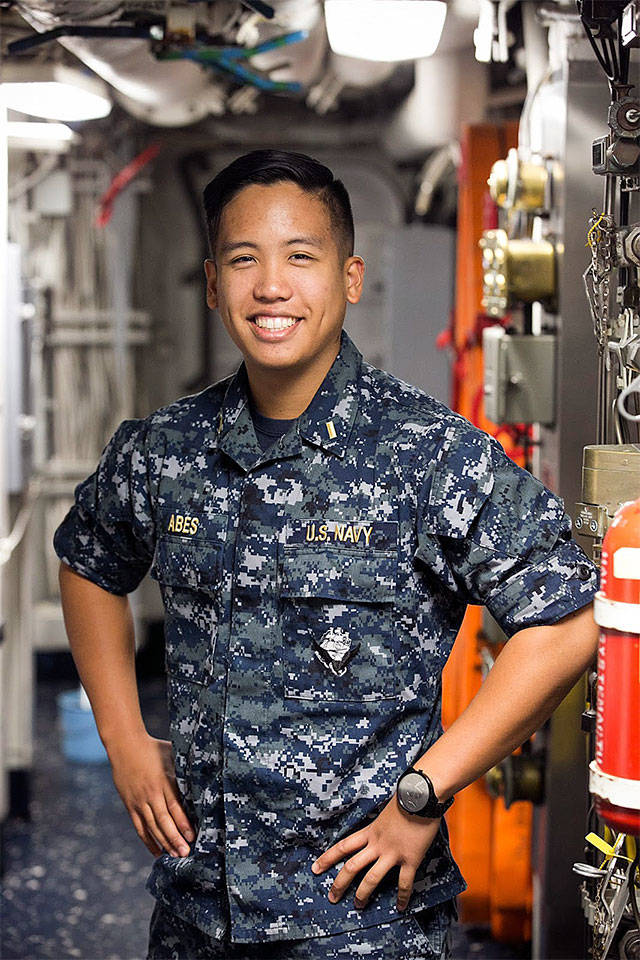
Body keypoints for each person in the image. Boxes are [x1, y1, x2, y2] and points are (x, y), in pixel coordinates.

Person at [54, 150, 600, 960]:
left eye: (300, 257)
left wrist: (424, 793)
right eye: (244, 259)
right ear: (213, 285)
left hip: (361, 919)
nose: (271, 286)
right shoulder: (164, 450)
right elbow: (88, 562)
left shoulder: (428, 454)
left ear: (349, 278)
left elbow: (566, 621)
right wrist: (124, 739)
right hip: (197, 911)